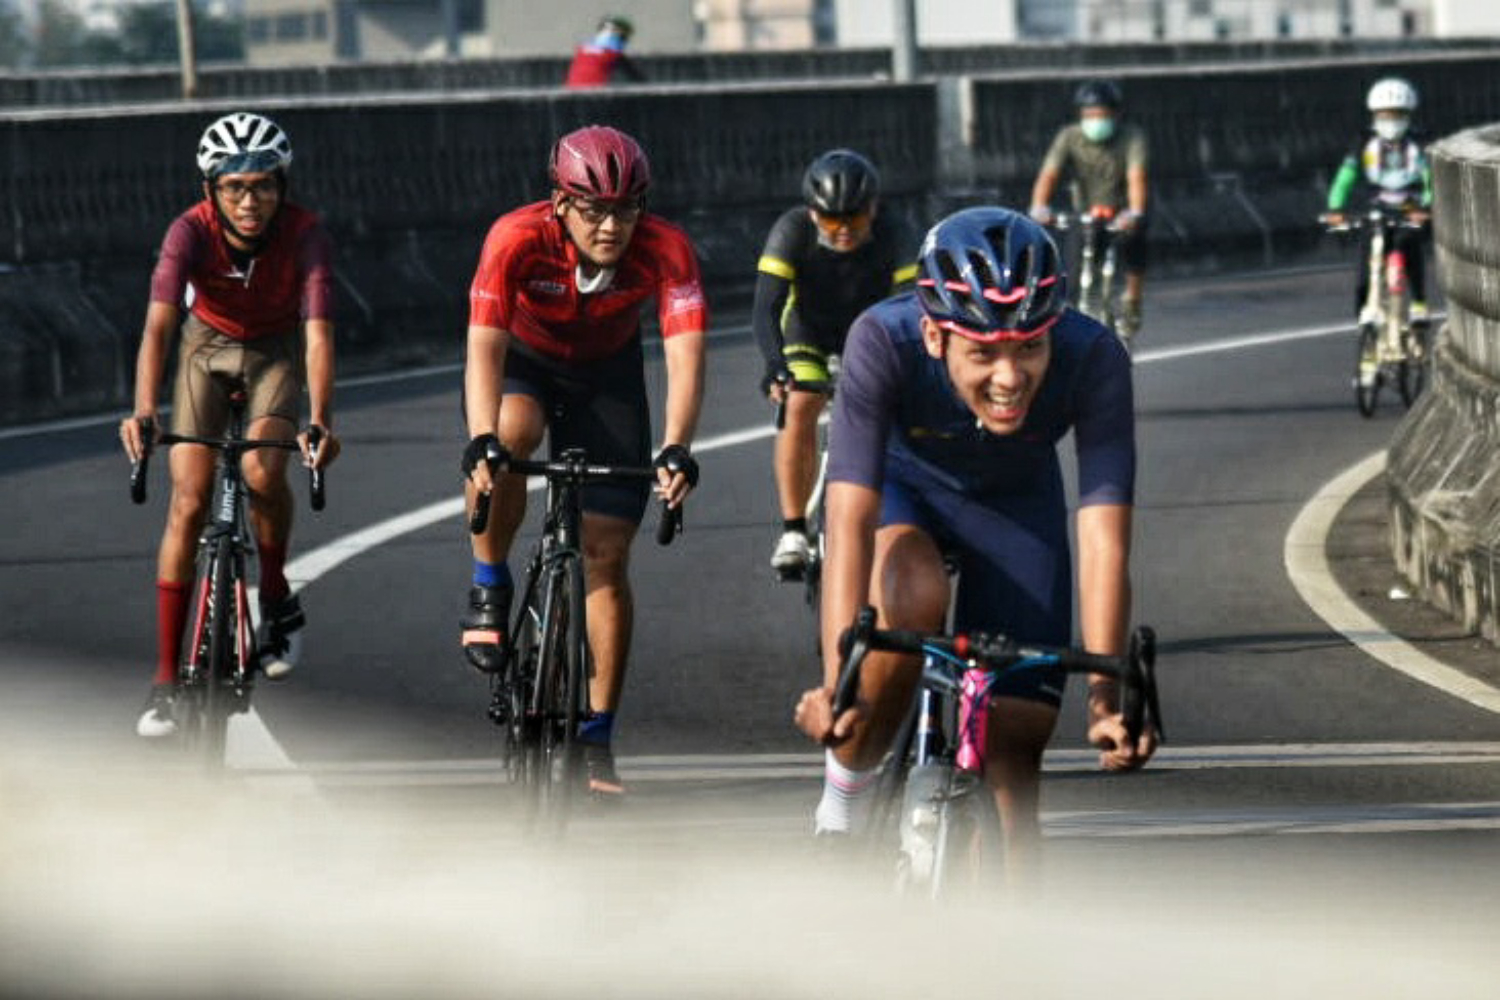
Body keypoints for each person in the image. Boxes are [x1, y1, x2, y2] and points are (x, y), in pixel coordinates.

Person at [793, 207, 1157, 878]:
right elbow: (847, 520)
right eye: (983, 352)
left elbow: (1104, 536)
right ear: (935, 335)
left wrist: (1106, 698)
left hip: (1014, 502)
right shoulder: (884, 339)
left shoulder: (1094, 355)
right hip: (904, 490)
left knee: (1016, 749)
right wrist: (836, 686)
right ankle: (841, 806)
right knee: (913, 598)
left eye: (1029, 347)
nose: (1010, 376)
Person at [460, 124, 706, 796]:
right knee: (512, 432)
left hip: (608, 376)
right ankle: (490, 584)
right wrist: (480, 436)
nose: (611, 225)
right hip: (527, 363)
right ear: (560, 203)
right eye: (594, 209)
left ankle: (597, 736)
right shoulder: (515, 238)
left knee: (606, 557)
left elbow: (684, 356)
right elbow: (483, 345)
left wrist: (677, 445)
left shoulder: (666, 250)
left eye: (627, 209)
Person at [120, 111, 339, 738]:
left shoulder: (307, 235)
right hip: (204, 348)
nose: (251, 201)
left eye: (264, 185)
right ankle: (165, 679)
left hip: (274, 350)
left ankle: (273, 593)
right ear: (210, 190)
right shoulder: (186, 232)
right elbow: (159, 326)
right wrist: (143, 409)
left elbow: (319, 336)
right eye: (235, 187)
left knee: (263, 468)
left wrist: (321, 420)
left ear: (283, 186)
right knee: (188, 499)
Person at [753, 148, 918, 575]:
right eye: (831, 220)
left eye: (855, 219)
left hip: (871, 329)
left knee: (897, 408)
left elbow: (911, 304)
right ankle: (792, 527)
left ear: (873, 210)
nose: (843, 230)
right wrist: (774, 364)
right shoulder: (790, 230)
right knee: (799, 405)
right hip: (808, 330)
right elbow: (766, 306)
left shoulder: (896, 230)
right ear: (812, 214)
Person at [1028, 79, 1150, 341]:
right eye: (1089, 115)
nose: (1095, 121)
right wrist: (1039, 207)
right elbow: (1048, 175)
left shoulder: (1131, 138)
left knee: (1135, 247)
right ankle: (1072, 312)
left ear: (1116, 114)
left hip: (1123, 211)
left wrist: (1134, 212)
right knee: (1071, 268)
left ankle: (1132, 303)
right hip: (1086, 213)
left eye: (1101, 115)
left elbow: (1136, 178)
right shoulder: (1069, 137)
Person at [1324, 76, 1433, 327]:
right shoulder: (1364, 144)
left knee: (1408, 243)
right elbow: (1345, 178)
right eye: (1384, 115)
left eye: (1396, 115)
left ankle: (1418, 302)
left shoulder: (1419, 144)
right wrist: (1336, 208)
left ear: (1408, 115)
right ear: (1374, 116)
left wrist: (1425, 208)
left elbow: (1431, 180)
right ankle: (1365, 315)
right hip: (1377, 208)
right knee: (1366, 259)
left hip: (1410, 207)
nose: (1390, 122)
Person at [565, 15, 645, 88]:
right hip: (595, 95)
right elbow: (635, 76)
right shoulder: (613, 54)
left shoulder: (581, 50)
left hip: (571, 91)